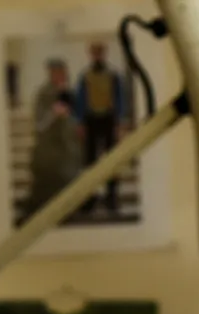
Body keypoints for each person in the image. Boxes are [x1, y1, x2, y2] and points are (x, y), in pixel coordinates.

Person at [79, 41, 126, 212]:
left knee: (111, 161)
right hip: (91, 120)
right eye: (94, 53)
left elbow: (119, 99)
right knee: (90, 161)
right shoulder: (85, 76)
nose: (97, 56)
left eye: (100, 52)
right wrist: (81, 122)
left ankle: (111, 197)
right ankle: (90, 197)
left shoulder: (113, 75)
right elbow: (81, 100)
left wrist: (119, 121)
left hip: (108, 119)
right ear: (91, 55)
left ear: (104, 54)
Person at [26, 91, 86, 221]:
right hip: (50, 168)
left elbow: (73, 149)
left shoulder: (71, 123)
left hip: (61, 169)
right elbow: (41, 133)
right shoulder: (51, 120)